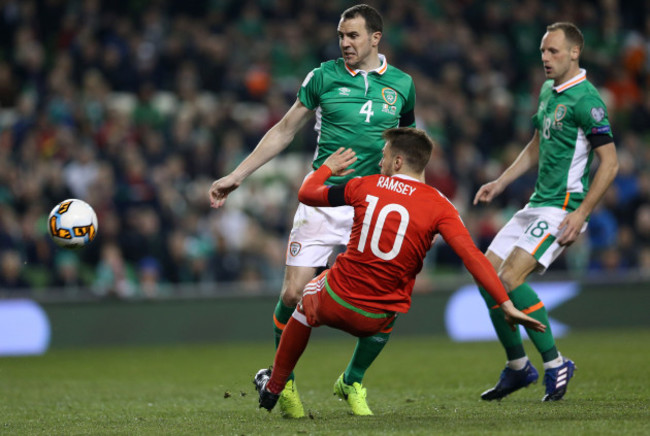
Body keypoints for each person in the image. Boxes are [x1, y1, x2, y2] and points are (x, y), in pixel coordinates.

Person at [209, 5, 416, 417]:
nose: (344, 43)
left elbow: (408, 150)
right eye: (341, 35)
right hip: (322, 199)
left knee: (385, 303)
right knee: (292, 293)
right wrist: (238, 174)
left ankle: (352, 381)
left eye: (353, 36)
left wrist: (418, 202)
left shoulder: (402, 84)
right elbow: (284, 129)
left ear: (376, 37)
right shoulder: (322, 76)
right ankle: (283, 382)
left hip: (372, 205)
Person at [253, 127, 546, 416]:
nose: (380, 162)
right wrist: (505, 303)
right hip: (375, 319)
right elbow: (473, 258)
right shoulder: (441, 207)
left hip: (335, 300)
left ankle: (276, 386)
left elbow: (307, 193)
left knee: (303, 302)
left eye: (383, 156)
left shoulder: (364, 185)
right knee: (392, 303)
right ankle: (352, 380)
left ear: (397, 162)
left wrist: (327, 168)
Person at [473, 22, 619, 402]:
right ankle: (519, 368)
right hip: (536, 203)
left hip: (564, 207)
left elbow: (610, 163)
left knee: (509, 279)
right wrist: (501, 182)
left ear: (575, 52)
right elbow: (536, 144)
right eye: (542, 52)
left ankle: (555, 364)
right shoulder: (547, 92)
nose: (545, 59)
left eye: (553, 51)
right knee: (487, 277)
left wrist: (582, 213)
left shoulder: (588, 100)